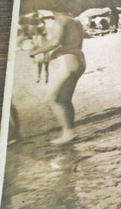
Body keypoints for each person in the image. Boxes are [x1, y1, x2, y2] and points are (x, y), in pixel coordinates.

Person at [29, 14, 86, 144]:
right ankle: (70, 131)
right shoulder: (76, 22)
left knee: (52, 99)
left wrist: (35, 52)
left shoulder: (60, 21)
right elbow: (79, 43)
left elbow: (55, 42)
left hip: (67, 60)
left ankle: (69, 132)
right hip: (79, 57)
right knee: (64, 99)